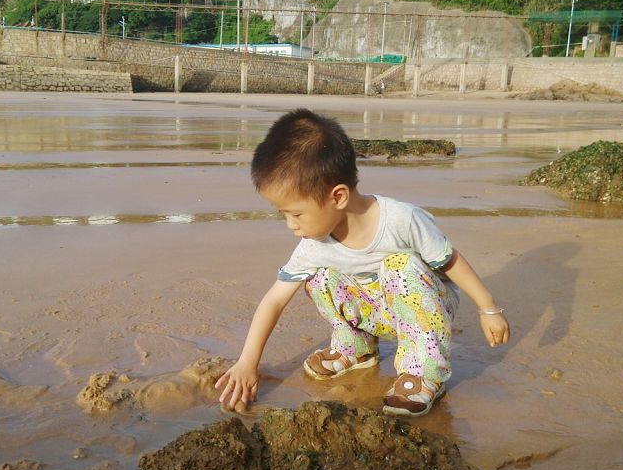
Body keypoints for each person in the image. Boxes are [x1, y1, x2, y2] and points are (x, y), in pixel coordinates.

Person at [215, 109, 510, 417]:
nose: (291, 225)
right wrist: (247, 363)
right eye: (284, 215)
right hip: (375, 311)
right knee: (319, 277)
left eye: (296, 214)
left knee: (401, 265)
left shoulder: (402, 220)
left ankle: (422, 372)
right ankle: (355, 347)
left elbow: (449, 261)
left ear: (338, 196)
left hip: (425, 310)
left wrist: (488, 308)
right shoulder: (314, 247)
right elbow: (274, 300)